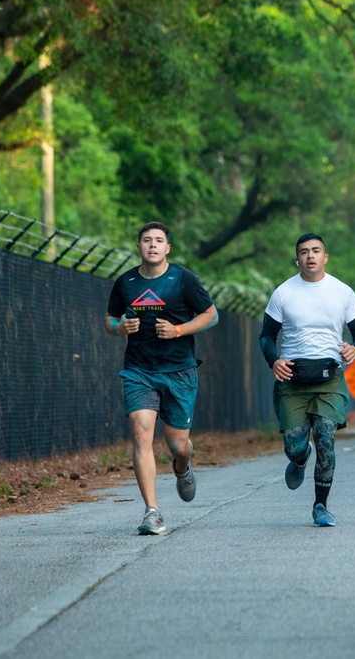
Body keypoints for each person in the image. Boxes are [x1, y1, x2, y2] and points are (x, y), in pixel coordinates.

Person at [105, 222, 219, 535]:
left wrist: (178, 330)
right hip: (139, 370)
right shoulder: (126, 282)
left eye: (159, 241)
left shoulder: (183, 279)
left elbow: (211, 314)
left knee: (176, 444)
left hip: (179, 370)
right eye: (146, 240)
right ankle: (152, 512)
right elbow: (110, 319)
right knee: (141, 433)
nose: (152, 245)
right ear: (139, 247)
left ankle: (183, 465)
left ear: (167, 248)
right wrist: (119, 328)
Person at [259, 233, 355, 527]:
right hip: (292, 381)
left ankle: (321, 505)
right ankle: (299, 458)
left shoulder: (342, 292)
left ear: (325, 257)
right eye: (304, 252)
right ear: (297, 258)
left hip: (329, 380)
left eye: (316, 251)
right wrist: (275, 360)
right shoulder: (283, 293)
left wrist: (354, 348)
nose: (310, 256)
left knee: (325, 437)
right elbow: (266, 336)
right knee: (295, 446)